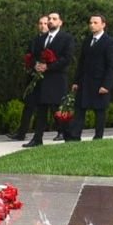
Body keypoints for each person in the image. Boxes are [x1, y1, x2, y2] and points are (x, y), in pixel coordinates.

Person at [22, 12, 73, 148]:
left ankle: (69, 136)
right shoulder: (41, 39)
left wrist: (48, 67)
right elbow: (33, 56)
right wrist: (35, 65)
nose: (50, 21)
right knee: (41, 110)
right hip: (42, 81)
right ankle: (37, 139)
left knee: (58, 110)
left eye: (54, 19)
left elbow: (66, 59)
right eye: (49, 19)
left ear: (60, 22)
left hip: (56, 79)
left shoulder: (66, 38)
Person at [68, 14, 113, 140]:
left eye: (95, 22)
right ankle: (75, 136)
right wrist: (76, 81)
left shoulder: (109, 42)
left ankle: (98, 136)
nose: (92, 25)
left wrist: (106, 85)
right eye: (90, 22)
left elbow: (112, 65)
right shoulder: (87, 40)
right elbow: (81, 62)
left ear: (103, 24)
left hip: (99, 82)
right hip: (85, 81)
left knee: (99, 111)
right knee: (79, 109)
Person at [11, 14, 51, 141]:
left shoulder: (52, 40)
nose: (43, 26)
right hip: (33, 77)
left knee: (51, 106)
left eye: (45, 23)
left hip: (47, 78)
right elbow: (29, 56)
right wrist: (34, 65)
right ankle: (21, 133)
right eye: (40, 23)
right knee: (29, 105)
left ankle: (62, 131)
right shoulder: (34, 40)